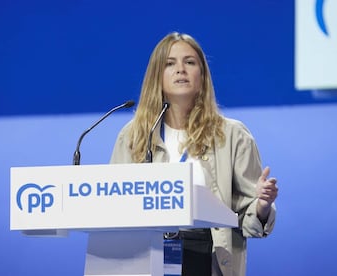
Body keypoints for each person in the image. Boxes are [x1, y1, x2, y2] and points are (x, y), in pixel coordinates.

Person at [110, 32, 278, 276]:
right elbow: (114, 204)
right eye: (170, 63)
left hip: (207, 257)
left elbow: (250, 220)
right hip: (147, 257)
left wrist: (262, 204)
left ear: (202, 76)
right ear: (156, 76)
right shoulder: (133, 136)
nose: (181, 70)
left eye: (189, 62)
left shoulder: (232, 135)